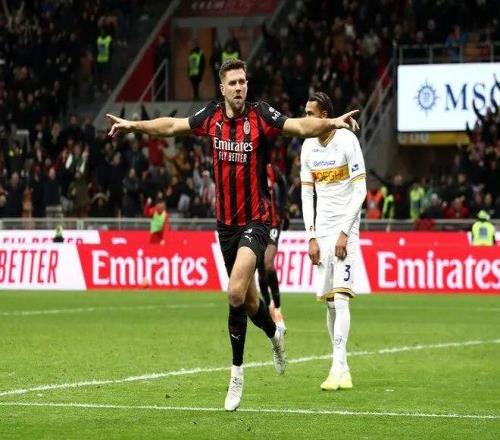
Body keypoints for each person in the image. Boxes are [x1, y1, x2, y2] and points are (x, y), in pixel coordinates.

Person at [107, 59, 359, 411]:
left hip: (256, 220)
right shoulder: (211, 116)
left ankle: (236, 376)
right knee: (250, 301)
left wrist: (331, 122)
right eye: (233, 83)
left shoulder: (261, 115)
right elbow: (172, 126)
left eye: (243, 81)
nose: (240, 87)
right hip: (225, 225)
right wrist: (134, 125)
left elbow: (299, 125)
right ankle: (274, 334)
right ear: (222, 88)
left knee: (234, 291)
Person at [300, 92, 366, 392]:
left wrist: (344, 232)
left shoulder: (347, 141)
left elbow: (360, 191)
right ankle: (344, 368)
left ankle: (336, 367)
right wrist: (311, 236)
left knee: (341, 298)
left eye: (310, 113)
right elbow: (306, 194)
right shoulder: (307, 146)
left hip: (346, 228)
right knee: (329, 302)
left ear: (325, 115)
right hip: (323, 231)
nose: (306, 118)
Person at [258, 163, 289, 331]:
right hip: (255, 225)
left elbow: (283, 184)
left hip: (273, 224)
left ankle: (277, 309)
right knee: (261, 269)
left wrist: (284, 210)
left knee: (268, 263)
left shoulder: (270, 169)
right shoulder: (247, 166)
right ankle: (269, 306)